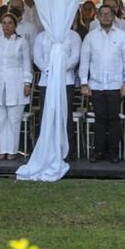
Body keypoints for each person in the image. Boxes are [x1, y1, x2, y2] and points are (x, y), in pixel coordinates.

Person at [79, 4, 125, 162]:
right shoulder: (91, 37)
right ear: (97, 16)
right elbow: (84, 61)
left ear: (114, 16)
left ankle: (114, 153)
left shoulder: (122, 36)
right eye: (102, 14)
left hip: (116, 85)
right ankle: (98, 151)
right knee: (100, 119)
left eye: (108, 14)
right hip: (96, 85)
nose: (105, 16)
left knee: (115, 120)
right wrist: (84, 82)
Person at [0, 13, 33, 160]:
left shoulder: (22, 42)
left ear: (15, 25)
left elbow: (27, 64)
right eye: (4, 23)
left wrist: (27, 82)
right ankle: (1, 149)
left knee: (14, 119)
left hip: (16, 82)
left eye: (10, 23)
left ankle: (12, 150)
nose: (6, 26)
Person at [33, 28, 81, 157]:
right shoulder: (41, 36)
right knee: (46, 114)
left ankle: (67, 150)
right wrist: (49, 70)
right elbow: (37, 58)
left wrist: (59, 69)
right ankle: (46, 150)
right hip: (46, 80)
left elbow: (75, 57)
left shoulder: (73, 35)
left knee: (65, 114)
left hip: (66, 80)